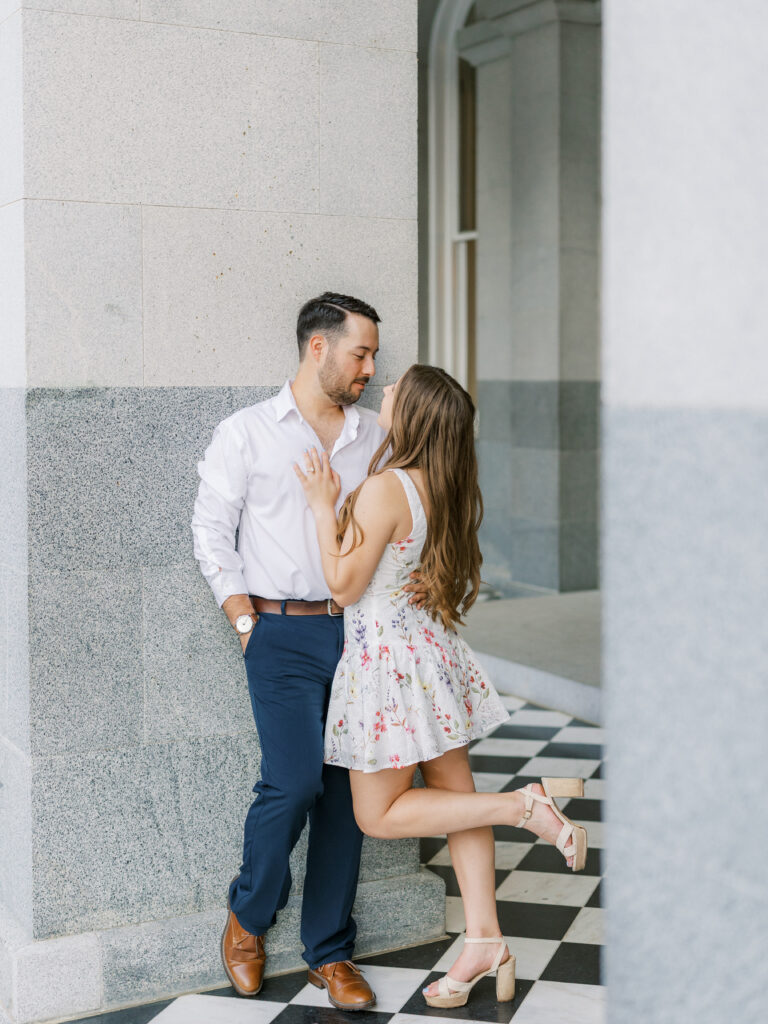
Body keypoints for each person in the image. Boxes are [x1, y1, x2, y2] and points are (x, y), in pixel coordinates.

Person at [294, 364, 589, 1010]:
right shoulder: (439, 486)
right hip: (427, 656)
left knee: (378, 814)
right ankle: (484, 939)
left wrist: (322, 507)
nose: (387, 391)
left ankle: (525, 807)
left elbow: (343, 589)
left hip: (388, 665)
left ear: (417, 414)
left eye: (398, 389)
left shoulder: (384, 489)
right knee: (457, 799)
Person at [191, 292, 427, 1007]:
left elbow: (402, 522)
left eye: (374, 357)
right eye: (361, 354)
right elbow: (210, 532)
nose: (370, 369)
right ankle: (249, 916)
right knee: (292, 783)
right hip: (281, 633)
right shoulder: (247, 433)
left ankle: (329, 951)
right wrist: (243, 619)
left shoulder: (375, 439)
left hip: (360, 635)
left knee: (347, 798)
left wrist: (416, 584)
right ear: (317, 348)